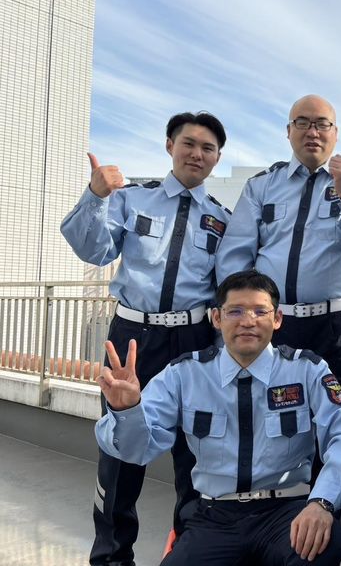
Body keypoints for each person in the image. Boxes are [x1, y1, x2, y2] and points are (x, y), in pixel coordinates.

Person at [94, 270, 341, 565]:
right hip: (215, 517)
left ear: (277, 319)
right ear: (216, 318)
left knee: (328, 548)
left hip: (286, 513)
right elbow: (136, 450)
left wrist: (322, 502)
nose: (248, 321)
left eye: (260, 311)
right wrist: (127, 411)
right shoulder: (184, 375)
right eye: (235, 311)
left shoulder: (307, 370)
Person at [61, 111, 230, 565]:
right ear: (170, 145)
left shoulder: (222, 219)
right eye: (188, 143)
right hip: (133, 337)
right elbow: (92, 250)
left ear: (217, 158)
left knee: (195, 454)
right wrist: (96, 195)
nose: (197, 154)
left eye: (208, 148)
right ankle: (112, 557)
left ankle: (187, 553)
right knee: (120, 452)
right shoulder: (131, 198)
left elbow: (227, 286)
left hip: (195, 341)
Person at [216, 95, 341, 398]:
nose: (312, 132)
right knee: (267, 411)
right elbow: (235, 256)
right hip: (273, 324)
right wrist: (240, 313)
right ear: (289, 130)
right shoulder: (261, 185)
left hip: (335, 327)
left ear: (335, 133)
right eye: (303, 123)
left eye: (322, 124)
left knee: (334, 413)